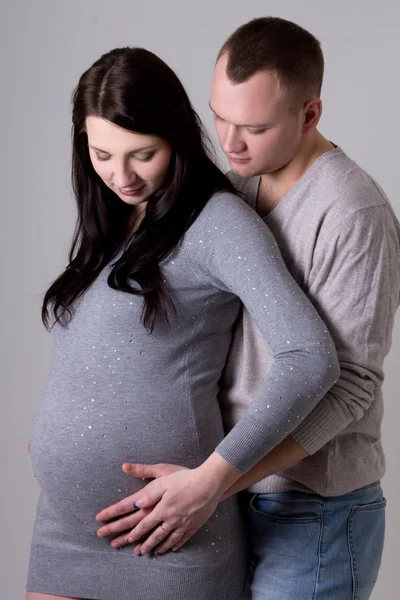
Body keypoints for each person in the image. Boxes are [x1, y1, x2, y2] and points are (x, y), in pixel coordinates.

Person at [26, 46, 339, 600]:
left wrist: (214, 478)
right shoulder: (112, 223)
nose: (119, 175)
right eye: (101, 154)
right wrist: (63, 434)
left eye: (141, 154)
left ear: (175, 136)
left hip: (173, 534)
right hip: (65, 530)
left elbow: (310, 356)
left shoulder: (217, 221)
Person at [120, 17, 400, 600]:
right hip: (225, 492)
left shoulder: (354, 213)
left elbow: (350, 387)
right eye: (219, 116)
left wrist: (214, 481)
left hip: (315, 511)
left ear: (310, 114)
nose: (229, 141)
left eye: (254, 126)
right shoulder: (234, 190)